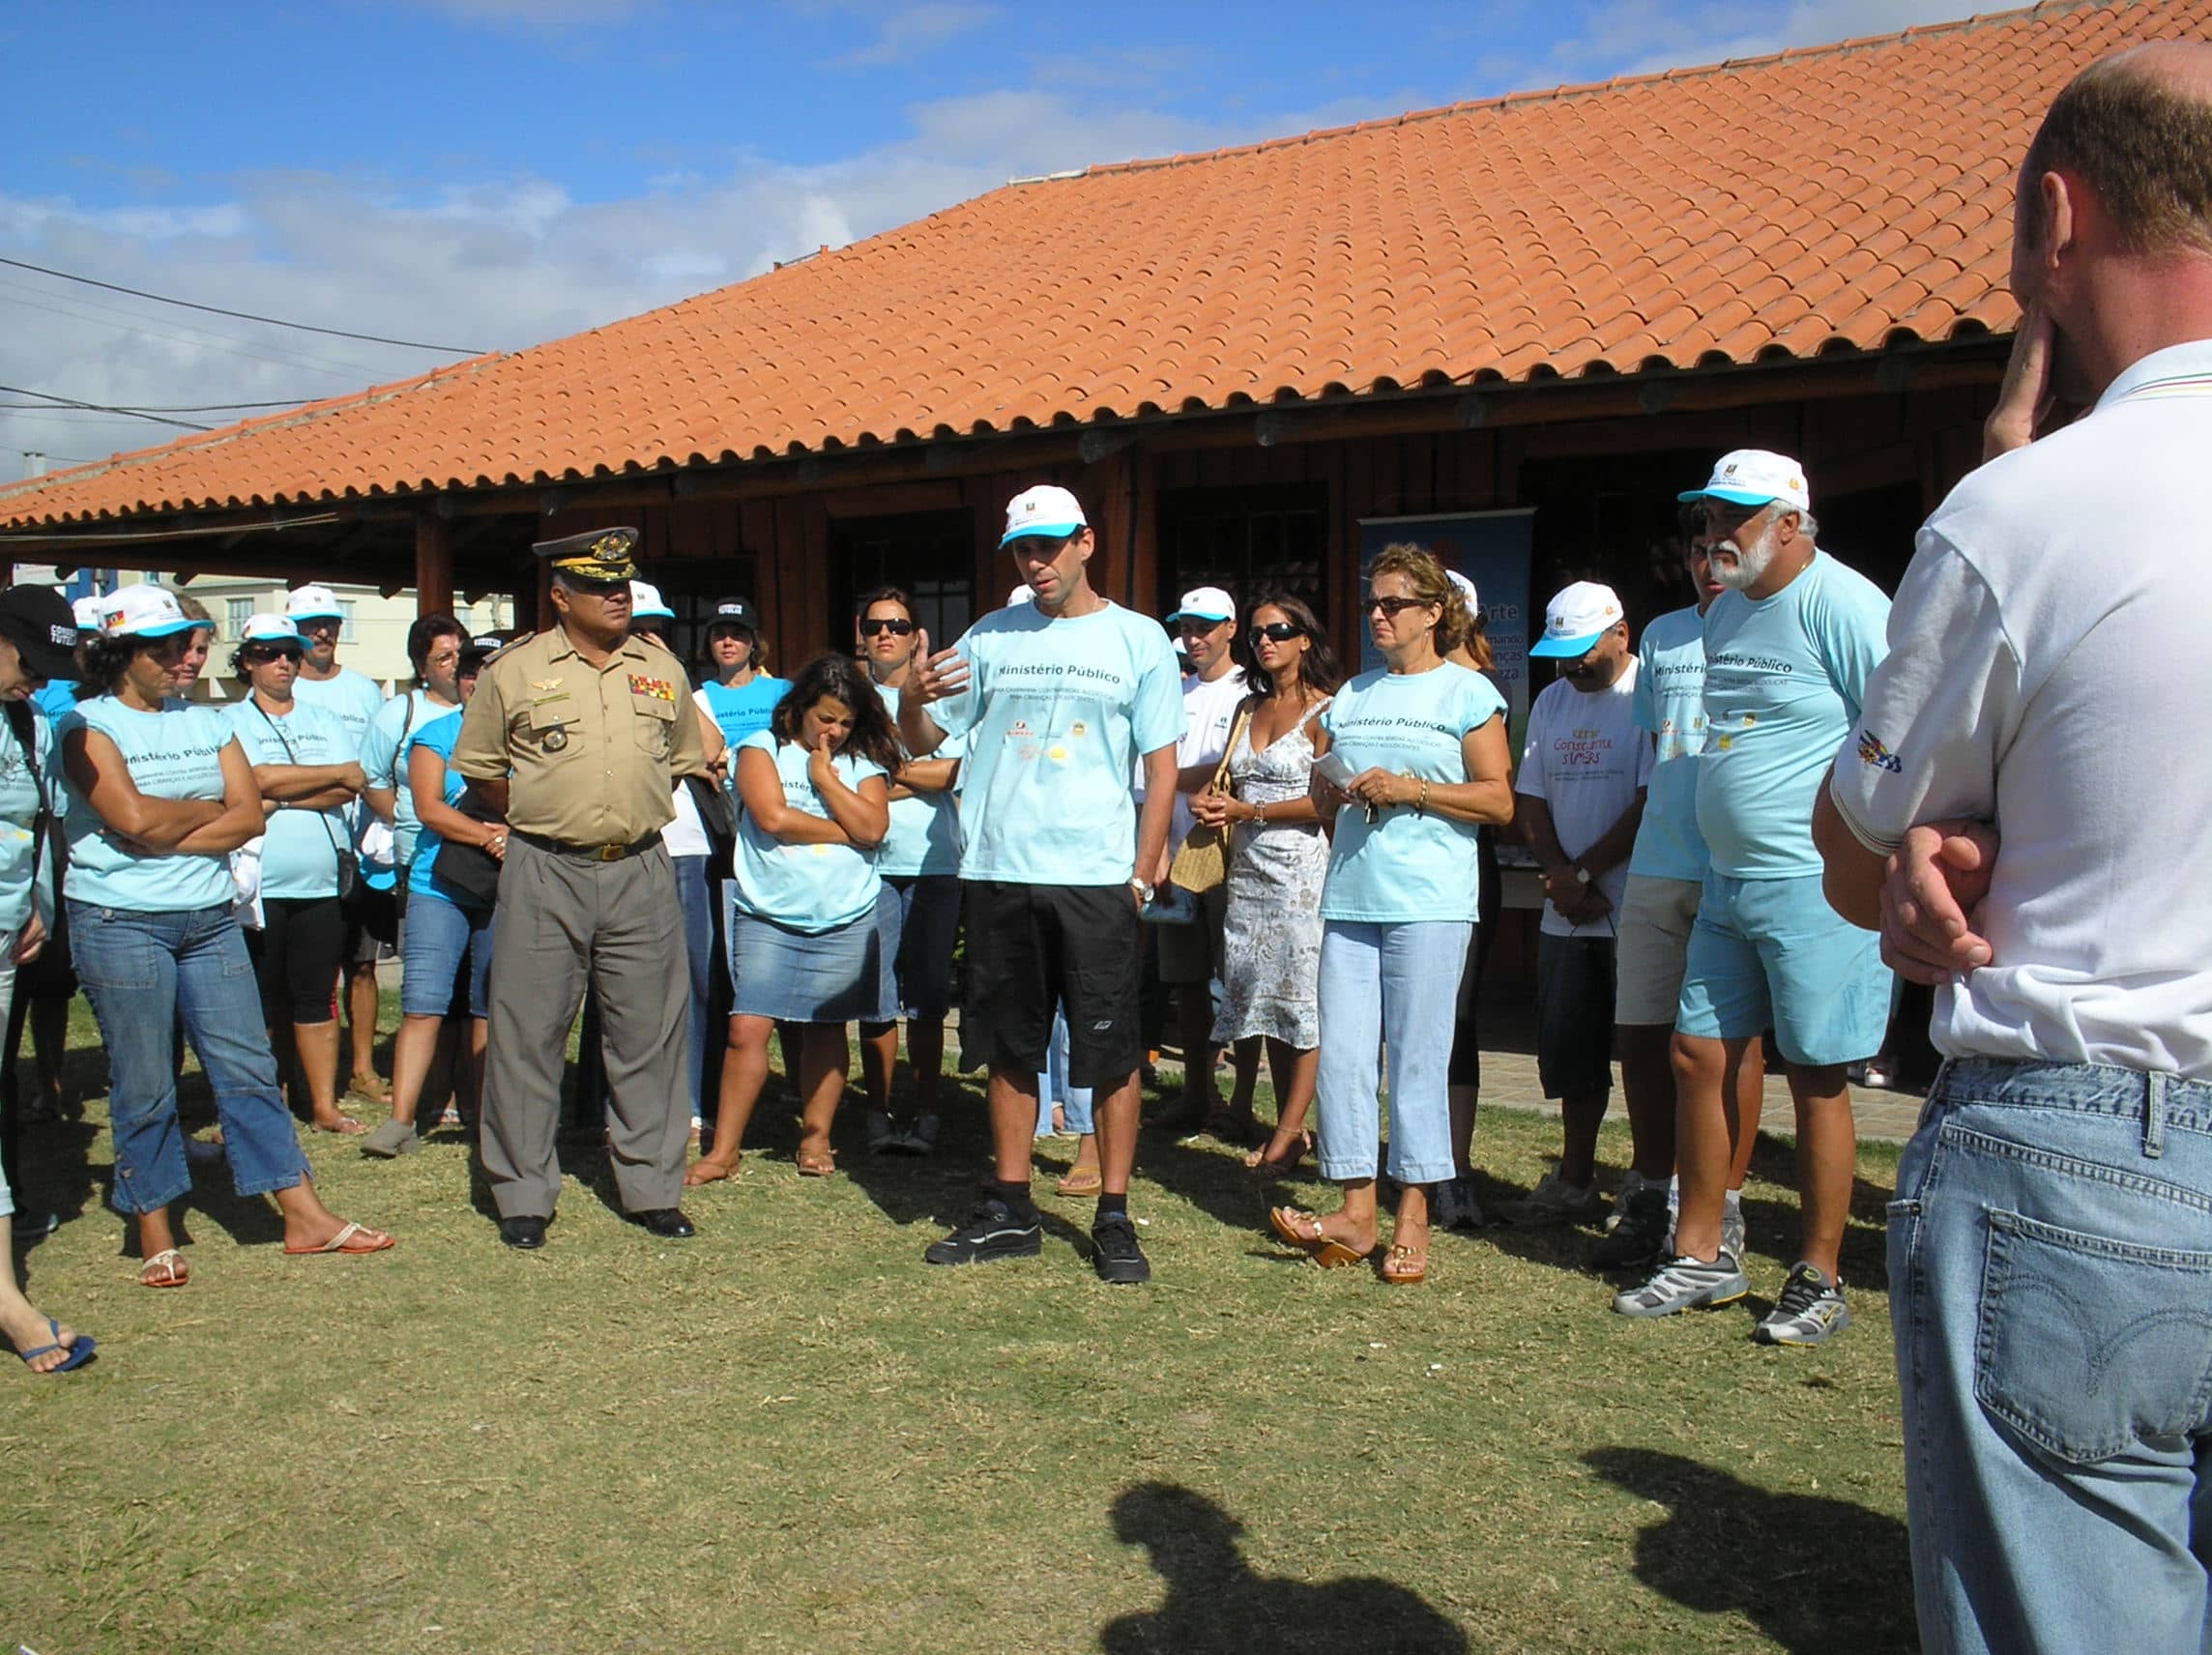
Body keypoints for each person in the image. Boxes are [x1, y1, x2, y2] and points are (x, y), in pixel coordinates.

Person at [1814, 44, 2212, 1652]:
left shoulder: (2026, 512)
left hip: (2089, 1144)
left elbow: (1854, 858)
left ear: (2057, 215)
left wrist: (1937, 843)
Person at [1614, 450, 1889, 1341]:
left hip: (1816, 883)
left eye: (1734, 517)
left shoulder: (1844, 604)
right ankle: (1700, 1256)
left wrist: (1863, 852)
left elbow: (1900, 733)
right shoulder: (1724, 612)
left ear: (1790, 524)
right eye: (1705, 518)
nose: (1713, 535)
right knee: (1697, 1055)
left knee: (1815, 1074)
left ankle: (1818, 1275)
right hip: (1726, 878)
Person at [60, 585, 393, 1287]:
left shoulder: (209, 723)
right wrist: (186, 814)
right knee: (146, 1077)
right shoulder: (86, 727)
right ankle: (154, 1224)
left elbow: (246, 818)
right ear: (122, 654)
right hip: (120, 923)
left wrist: (162, 824)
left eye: (190, 644)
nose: (187, 658)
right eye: (169, 648)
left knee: (246, 1069)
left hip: (210, 918)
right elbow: (133, 817)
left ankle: (303, 1215)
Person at [898, 483, 1181, 1283]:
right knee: (1010, 1047)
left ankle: (1115, 1213)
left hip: (1095, 877)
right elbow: (931, 736)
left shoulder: (1139, 639)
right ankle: (1010, 1207)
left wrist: (1140, 873)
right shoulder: (989, 636)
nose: (1036, 562)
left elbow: (1160, 769)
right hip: (998, 868)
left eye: (1049, 545)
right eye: (1023, 549)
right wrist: (914, 703)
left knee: (1111, 1052)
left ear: (1086, 542)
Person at [451, 529, 709, 1249]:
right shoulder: (514, 670)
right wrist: (547, 817)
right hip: (544, 867)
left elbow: (682, 760)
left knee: (649, 1035)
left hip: (640, 867)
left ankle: (653, 1188)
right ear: (561, 596)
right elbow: (481, 770)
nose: (618, 594)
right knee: (528, 1034)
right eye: (600, 585)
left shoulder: (661, 669)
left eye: (623, 582)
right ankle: (525, 1195)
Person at [1268, 545, 1513, 1286]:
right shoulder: (1353, 695)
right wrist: (1331, 788)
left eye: (1393, 604)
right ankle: (1353, 1209)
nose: (1377, 615)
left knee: (1415, 1058)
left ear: (1434, 614)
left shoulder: (1468, 695)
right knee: (1342, 1054)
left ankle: (1414, 1213)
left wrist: (1414, 789)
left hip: (1431, 903)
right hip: (1350, 897)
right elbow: (1319, 796)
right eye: (1372, 603)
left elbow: (1499, 799)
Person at [1591, 526, 1761, 1272]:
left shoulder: (1779, 626)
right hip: (1658, 861)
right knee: (1640, 1033)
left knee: (1733, 1042)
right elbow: (1657, 746)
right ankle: (1649, 1193)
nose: (1708, 563)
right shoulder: (1663, 635)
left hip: (1736, 860)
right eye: (1695, 550)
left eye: (1723, 548)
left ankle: (1721, 1206)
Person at [687, 653, 893, 1182]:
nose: (835, 731)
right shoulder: (760, 748)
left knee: (827, 1031)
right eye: (826, 718)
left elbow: (877, 824)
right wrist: (849, 830)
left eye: (846, 723)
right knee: (747, 1029)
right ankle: (723, 1150)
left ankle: (816, 1139)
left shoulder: (862, 765)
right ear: (800, 707)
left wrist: (824, 781)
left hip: (845, 915)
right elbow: (773, 817)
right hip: (768, 914)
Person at [1502, 582, 1649, 1223]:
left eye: (1582, 651)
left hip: (1636, 906)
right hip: (1567, 910)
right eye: (1560, 653)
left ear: (1620, 633)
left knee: (1646, 1051)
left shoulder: (1650, 694)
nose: (1570, 666)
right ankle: (1575, 1178)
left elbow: (1651, 799)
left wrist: (1586, 872)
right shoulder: (1554, 700)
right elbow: (1529, 797)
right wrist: (1561, 874)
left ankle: (1649, 1181)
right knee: (1569, 1048)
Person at [1189, 592, 1338, 1176]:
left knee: (1300, 1005)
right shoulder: (1247, 709)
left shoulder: (1326, 709)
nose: (1265, 641)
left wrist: (1248, 813)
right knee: (1264, 1004)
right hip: (1247, 875)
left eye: (1278, 630)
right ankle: (1288, 1125)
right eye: (1256, 634)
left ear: (1306, 638)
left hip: (1301, 873)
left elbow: (1327, 803)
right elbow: (1231, 780)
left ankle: (1291, 1130)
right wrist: (1212, 802)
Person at [223, 615, 369, 1137]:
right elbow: (247, 781)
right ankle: (263, 1105)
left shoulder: (325, 718)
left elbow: (349, 784)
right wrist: (318, 777)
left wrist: (274, 792)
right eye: (268, 653)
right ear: (246, 662)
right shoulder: (228, 721)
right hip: (255, 888)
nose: (283, 662)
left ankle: (324, 1106)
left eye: (290, 652)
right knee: (257, 998)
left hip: (321, 883)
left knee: (315, 994)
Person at [0, 586, 95, 1370]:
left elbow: (33, 827)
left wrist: (35, 907)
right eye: (29, 660)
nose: (39, 678)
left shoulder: (26, 719)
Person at [361, 634, 503, 1158]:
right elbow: (428, 808)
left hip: (503, 887)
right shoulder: (434, 735)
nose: (475, 679)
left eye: (487, 670)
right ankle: (402, 1121)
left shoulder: (527, 739)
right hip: (436, 886)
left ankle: (490, 1123)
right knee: (423, 1003)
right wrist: (493, 835)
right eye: (467, 671)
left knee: (490, 1007)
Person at [852, 587, 961, 1157]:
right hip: (867, 865)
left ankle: (928, 1111)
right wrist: (912, 769)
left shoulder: (942, 697)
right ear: (860, 633)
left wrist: (884, 774)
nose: (885, 634)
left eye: (897, 624)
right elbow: (845, 780)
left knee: (927, 998)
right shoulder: (849, 701)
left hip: (933, 862)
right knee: (874, 997)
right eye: (875, 626)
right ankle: (876, 1111)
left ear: (918, 635)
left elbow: (957, 772)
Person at [284, 582, 393, 1107]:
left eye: (329, 624)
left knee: (364, 965)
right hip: (307, 850)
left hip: (362, 852)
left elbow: (375, 767)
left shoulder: (363, 691)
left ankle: (363, 1069)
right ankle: (298, 1074)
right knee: (309, 971)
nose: (322, 633)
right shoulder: (285, 691)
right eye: (310, 627)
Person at [360, 614, 470, 1125]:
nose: (455, 666)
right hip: (422, 858)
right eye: (443, 657)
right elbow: (372, 777)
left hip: (485, 865)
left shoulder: (495, 714)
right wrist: (399, 816)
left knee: (476, 992)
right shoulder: (403, 715)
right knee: (430, 987)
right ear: (421, 666)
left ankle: (465, 1094)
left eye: (460, 655)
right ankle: (428, 1097)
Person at [626, 580, 727, 1140]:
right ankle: (622, 1105)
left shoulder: (681, 688)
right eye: (639, 629)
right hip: (625, 846)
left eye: (658, 630)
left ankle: (690, 1101)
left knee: (694, 977)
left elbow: (711, 750)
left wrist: (674, 683)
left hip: (686, 847)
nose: (649, 639)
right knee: (625, 982)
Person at [1155, 585, 1249, 1135]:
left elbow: (1227, 768)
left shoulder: (1246, 693)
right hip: (1174, 856)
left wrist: (1164, 779)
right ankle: (1197, 1092)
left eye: (1205, 626)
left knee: (1238, 981)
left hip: (1230, 858)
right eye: (1187, 627)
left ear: (1231, 628)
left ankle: (1239, 1101)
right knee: (1187, 984)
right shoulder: (1176, 692)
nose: (1194, 637)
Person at [1438, 568, 1505, 1231]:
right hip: (1396, 873)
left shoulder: (1478, 692)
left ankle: (1454, 1171)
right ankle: (1415, 1160)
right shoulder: (1397, 683)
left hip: (1460, 873)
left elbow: (1497, 800)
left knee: (1455, 1021)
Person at [696, 596, 787, 748]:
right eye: (719, 635)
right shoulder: (699, 698)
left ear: (753, 642)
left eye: (737, 635)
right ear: (709, 642)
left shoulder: (782, 691)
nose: (727, 642)